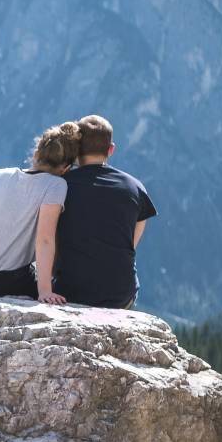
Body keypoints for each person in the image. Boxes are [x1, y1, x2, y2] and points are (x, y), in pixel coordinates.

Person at [0, 122, 81, 304]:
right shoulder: (56, 185)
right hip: (11, 283)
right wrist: (45, 291)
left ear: (36, 153)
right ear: (66, 168)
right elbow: (45, 239)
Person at [53, 114, 157, 309]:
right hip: (120, 296)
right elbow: (130, 244)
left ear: (76, 150)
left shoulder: (60, 186)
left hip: (71, 293)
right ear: (111, 150)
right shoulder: (135, 187)